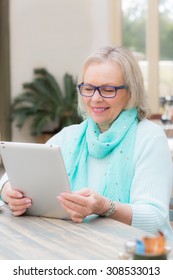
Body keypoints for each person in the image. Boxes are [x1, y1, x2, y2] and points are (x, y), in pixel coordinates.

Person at [0, 46, 173, 240]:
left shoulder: (149, 138)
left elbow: (155, 218)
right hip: (78, 245)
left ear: (131, 93)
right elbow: (11, 177)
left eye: (108, 90)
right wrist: (9, 193)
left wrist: (106, 207)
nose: (95, 99)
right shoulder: (69, 136)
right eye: (88, 89)